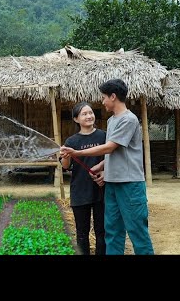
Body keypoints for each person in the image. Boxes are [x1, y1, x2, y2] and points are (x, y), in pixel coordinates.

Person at [60, 79, 154, 255]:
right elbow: (114, 153)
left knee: (137, 232)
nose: (102, 102)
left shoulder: (129, 119)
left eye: (104, 97)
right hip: (111, 184)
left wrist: (77, 153)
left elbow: (109, 147)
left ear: (113, 96)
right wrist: (102, 166)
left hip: (129, 184)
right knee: (112, 232)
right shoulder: (111, 121)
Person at [60, 102, 106, 255]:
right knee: (82, 233)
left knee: (102, 232)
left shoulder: (103, 136)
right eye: (84, 114)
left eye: (91, 113)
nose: (89, 116)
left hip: (102, 189)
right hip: (80, 190)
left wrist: (105, 174)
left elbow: (113, 158)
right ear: (76, 119)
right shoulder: (72, 141)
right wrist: (65, 156)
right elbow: (65, 166)